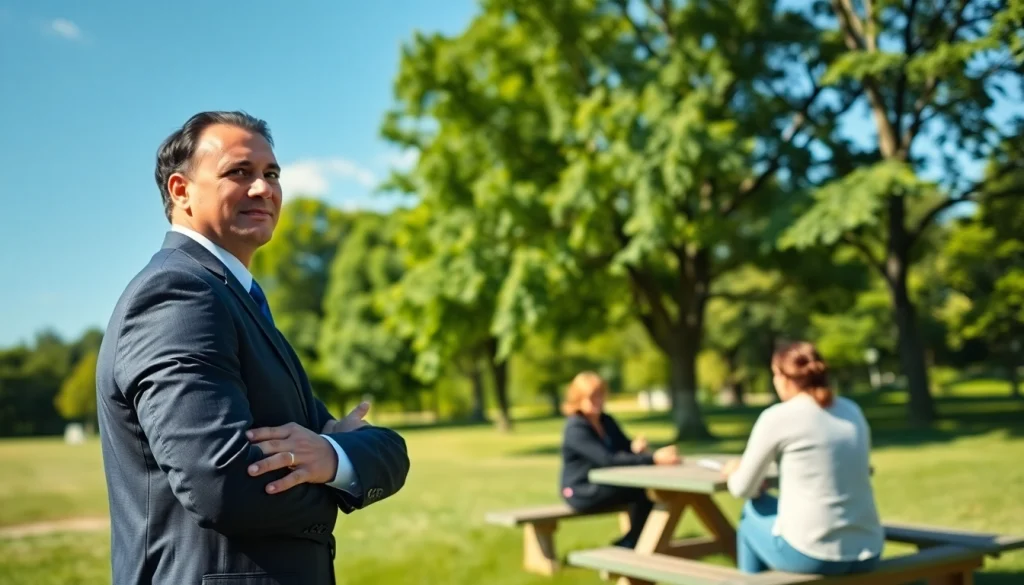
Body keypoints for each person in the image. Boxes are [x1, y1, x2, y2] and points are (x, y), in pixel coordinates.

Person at [96, 111, 410, 585]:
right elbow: (222, 483)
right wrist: (335, 465)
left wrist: (329, 453)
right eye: (239, 172)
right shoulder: (178, 294)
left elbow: (389, 449)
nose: (263, 189)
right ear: (181, 191)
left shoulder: (234, 300)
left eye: (271, 174)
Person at [720, 341, 883, 575]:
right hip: (869, 549)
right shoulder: (851, 410)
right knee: (766, 505)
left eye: (774, 375)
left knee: (749, 517)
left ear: (784, 377)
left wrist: (734, 471)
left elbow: (741, 489)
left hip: (813, 555)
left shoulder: (778, 416)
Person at [559, 371, 681, 548]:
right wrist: (653, 458)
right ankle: (635, 540)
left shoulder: (606, 421)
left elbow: (623, 448)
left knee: (644, 491)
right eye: (591, 396)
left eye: (600, 395)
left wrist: (635, 447)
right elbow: (607, 459)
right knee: (641, 491)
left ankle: (638, 539)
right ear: (578, 398)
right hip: (581, 490)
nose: (597, 400)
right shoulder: (576, 427)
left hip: (604, 484)